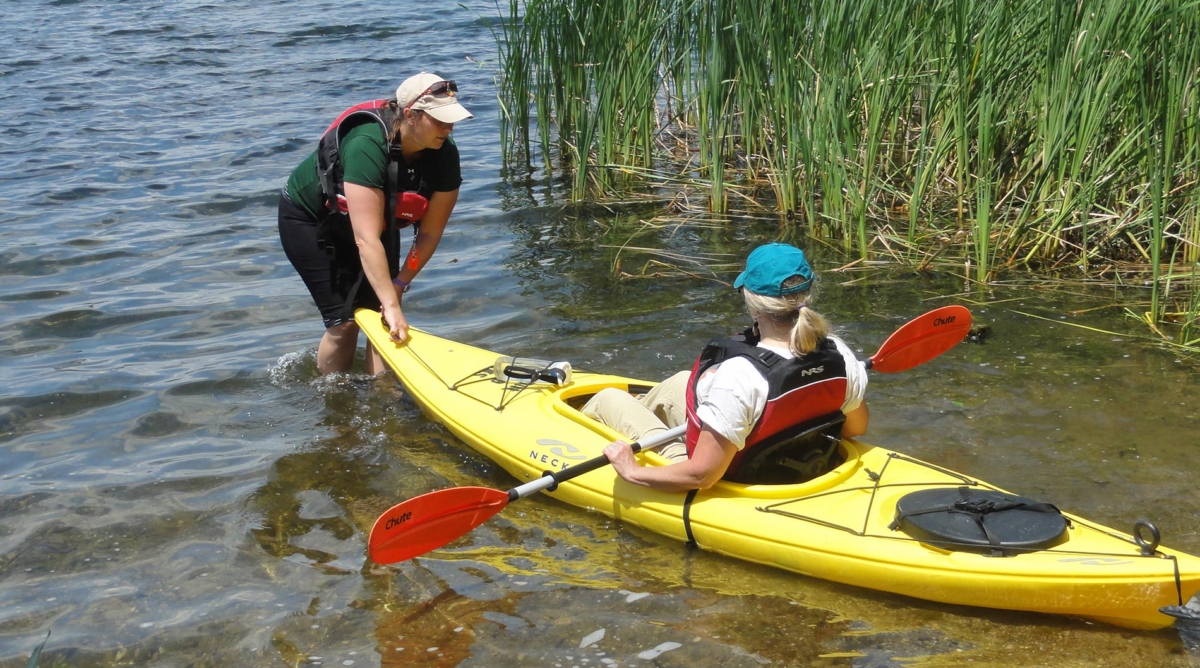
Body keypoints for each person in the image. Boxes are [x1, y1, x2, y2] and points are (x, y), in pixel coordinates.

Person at [584, 243, 869, 492]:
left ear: (754, 306)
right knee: (684, 381)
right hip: (794, 462)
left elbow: (702, 475)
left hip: (730, 475)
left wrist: (631, 470)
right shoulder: (838, 352)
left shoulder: (740, 376)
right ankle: (640, 414)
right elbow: (856, 427)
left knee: (610, 397)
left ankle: (603, 425)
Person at [278, 72, 473, 374]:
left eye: (452, 119)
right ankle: (334, 396)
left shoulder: (445, 155)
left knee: (381, 317)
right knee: (344, 324)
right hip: (313, 219)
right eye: (439, 119)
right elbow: (366, 239)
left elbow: (431, 233)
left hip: (378, 222)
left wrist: (398, 286)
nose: (449, 127)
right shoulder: (367, 144)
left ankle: (382, 398)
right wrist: (392, 304)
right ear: (410, 114)